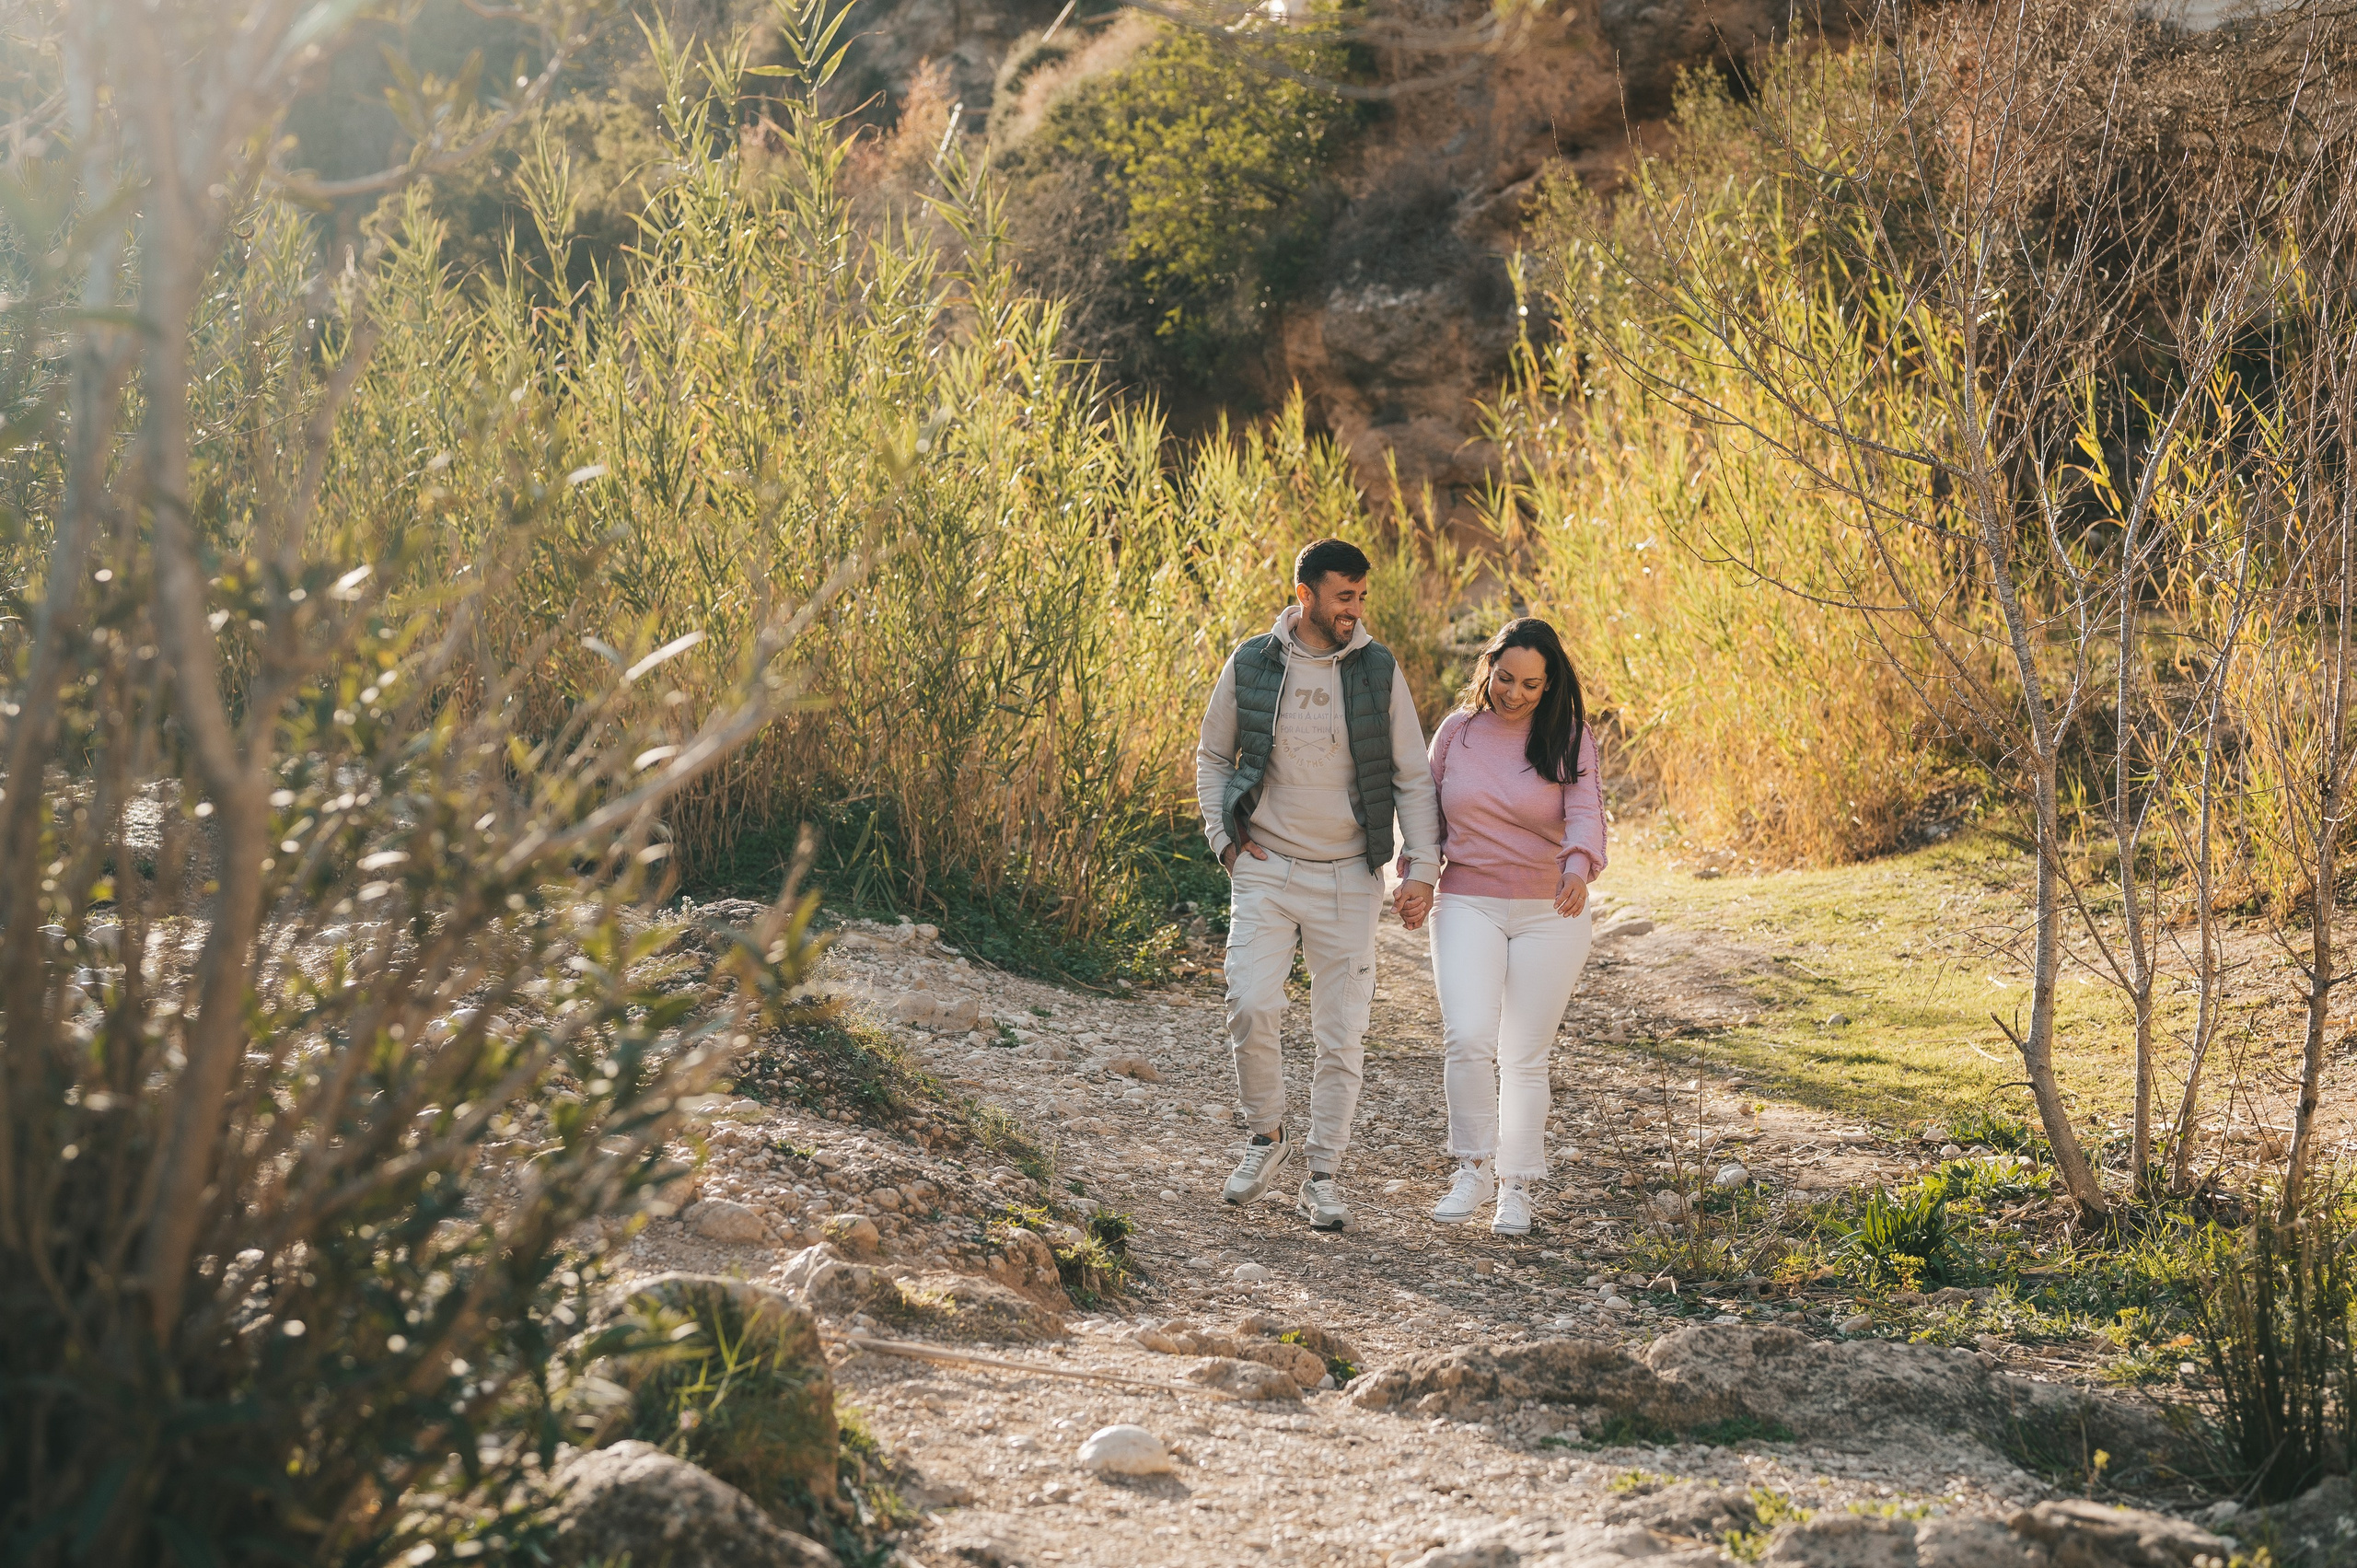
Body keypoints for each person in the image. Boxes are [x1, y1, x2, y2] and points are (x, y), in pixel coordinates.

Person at [1195, 539, 1442, 1232]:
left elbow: (1412, 775)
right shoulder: (1251, 661)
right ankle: (1265, 1135)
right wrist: (1225, 843)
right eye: (1343, 597)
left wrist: (1421, 868)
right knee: (1249, 1002)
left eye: (1361, 597)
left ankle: (1323, 1176)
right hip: (1266, 866)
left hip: (1349, 877)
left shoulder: (1378, 668)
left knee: (1342, 1033)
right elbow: (1212, 755)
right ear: (1305, 595)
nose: (1354, 610)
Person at [1395, 617, 1605, 1236]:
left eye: (1530, 685)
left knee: (1524, 1055)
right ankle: (1473, 1168)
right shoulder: (1457, 733)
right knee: (1467, 1036)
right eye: (1505, 678)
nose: (1514, 693)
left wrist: (1577, 868)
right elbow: (1426, 814)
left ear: (1550, 684)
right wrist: (1417, 876)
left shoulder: (1569, 736)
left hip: (1551, 910)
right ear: (1488, 667)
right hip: (1468, 900)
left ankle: (1516, 1185)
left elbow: (1585, 811)